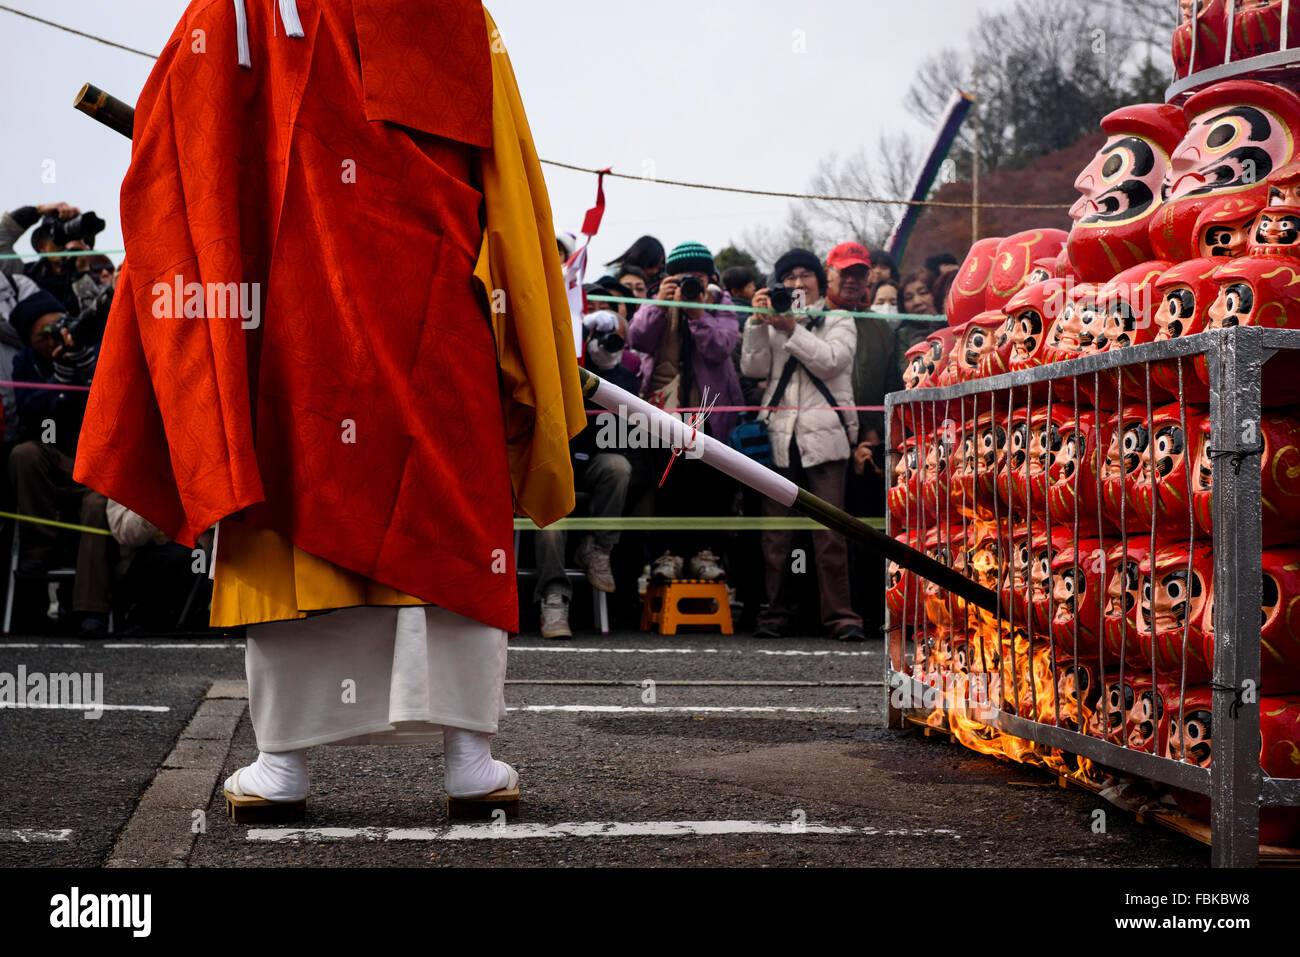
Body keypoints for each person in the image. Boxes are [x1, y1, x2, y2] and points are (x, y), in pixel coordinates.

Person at [74, 0, 586, 820]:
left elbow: (179, 157)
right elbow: (512, 191)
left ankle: (285, 760)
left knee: (291, 519)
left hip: (289, 326)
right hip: (432, 323)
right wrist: (525, 331)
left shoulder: (234, 11)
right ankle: (468, 755)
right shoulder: (451, 14)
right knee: (444, 519)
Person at [740, 248, 864, 641]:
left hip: (825, 436)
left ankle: (841, 617)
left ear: (819, 280)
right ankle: (774, 613)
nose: (797, 283)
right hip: (779, 435)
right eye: (788, 276)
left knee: (830, 534)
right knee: (776, 536)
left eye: (805, 275)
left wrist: (792, 328)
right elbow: (753, 369)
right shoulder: (771, 319)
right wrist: (757, 324)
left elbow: (831, 361)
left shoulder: (839, 317)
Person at [628, 240, 743, 582]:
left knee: (710, 485)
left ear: (711, 278)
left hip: (712, 414)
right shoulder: (660, 302)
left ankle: (706, 553)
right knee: (668, 484)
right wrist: (660, 304)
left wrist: (697, 314)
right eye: (681, 277)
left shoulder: (721, 303)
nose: (690, 284)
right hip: (665, 412)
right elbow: (637, 339)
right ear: (669, 279)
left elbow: (721, 347)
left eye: (697, 277)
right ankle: (668, 554)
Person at [536, 310, 648, 638]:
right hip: (550, 465)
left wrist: (605, 370)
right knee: (550, 522)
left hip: (591, 461)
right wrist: (577, 349)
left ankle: (598, 547)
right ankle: (553, 596)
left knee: (618, 466)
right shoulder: (555, 361)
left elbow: (624, 431)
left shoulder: (621, 374)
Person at [7, 290, 113, 637]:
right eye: (43, 334)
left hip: (96, 461)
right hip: (55, 455)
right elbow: (31, 412)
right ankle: (39, 547)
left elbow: (115, 400)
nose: (52, 338)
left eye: (58, 328)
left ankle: (90, 608)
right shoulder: (25, 363)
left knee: (97, 507)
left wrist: (84, 367)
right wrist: (61, 383)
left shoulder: (94, 349)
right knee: (24, 453)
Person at [826, 243, 897, 440]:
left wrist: (874, 429)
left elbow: (890, 384)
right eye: (844, 272)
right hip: (824, 432)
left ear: (867, 278)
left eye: (858, 274)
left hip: (870, 437)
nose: (851, 280)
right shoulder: (813, 316)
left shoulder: (878, 326)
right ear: (828, 274)